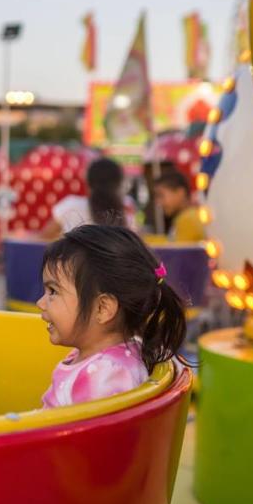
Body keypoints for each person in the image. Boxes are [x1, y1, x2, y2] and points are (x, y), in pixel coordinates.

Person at [37, 224, 188, 408]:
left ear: (102, 308)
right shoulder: (130, 350)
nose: (40, 303)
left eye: (53, 291)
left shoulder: (104, 378)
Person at [41, 157, 135, 239]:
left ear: (88, 182)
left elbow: (42, 237)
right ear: (119, 183)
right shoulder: (127, 206)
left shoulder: (70, 206)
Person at [152, 170, 205, 242]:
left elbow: (177, 250)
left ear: (180, 193)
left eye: (161, 195)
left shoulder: (187, 219)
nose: (157, 202)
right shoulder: (189, 216)